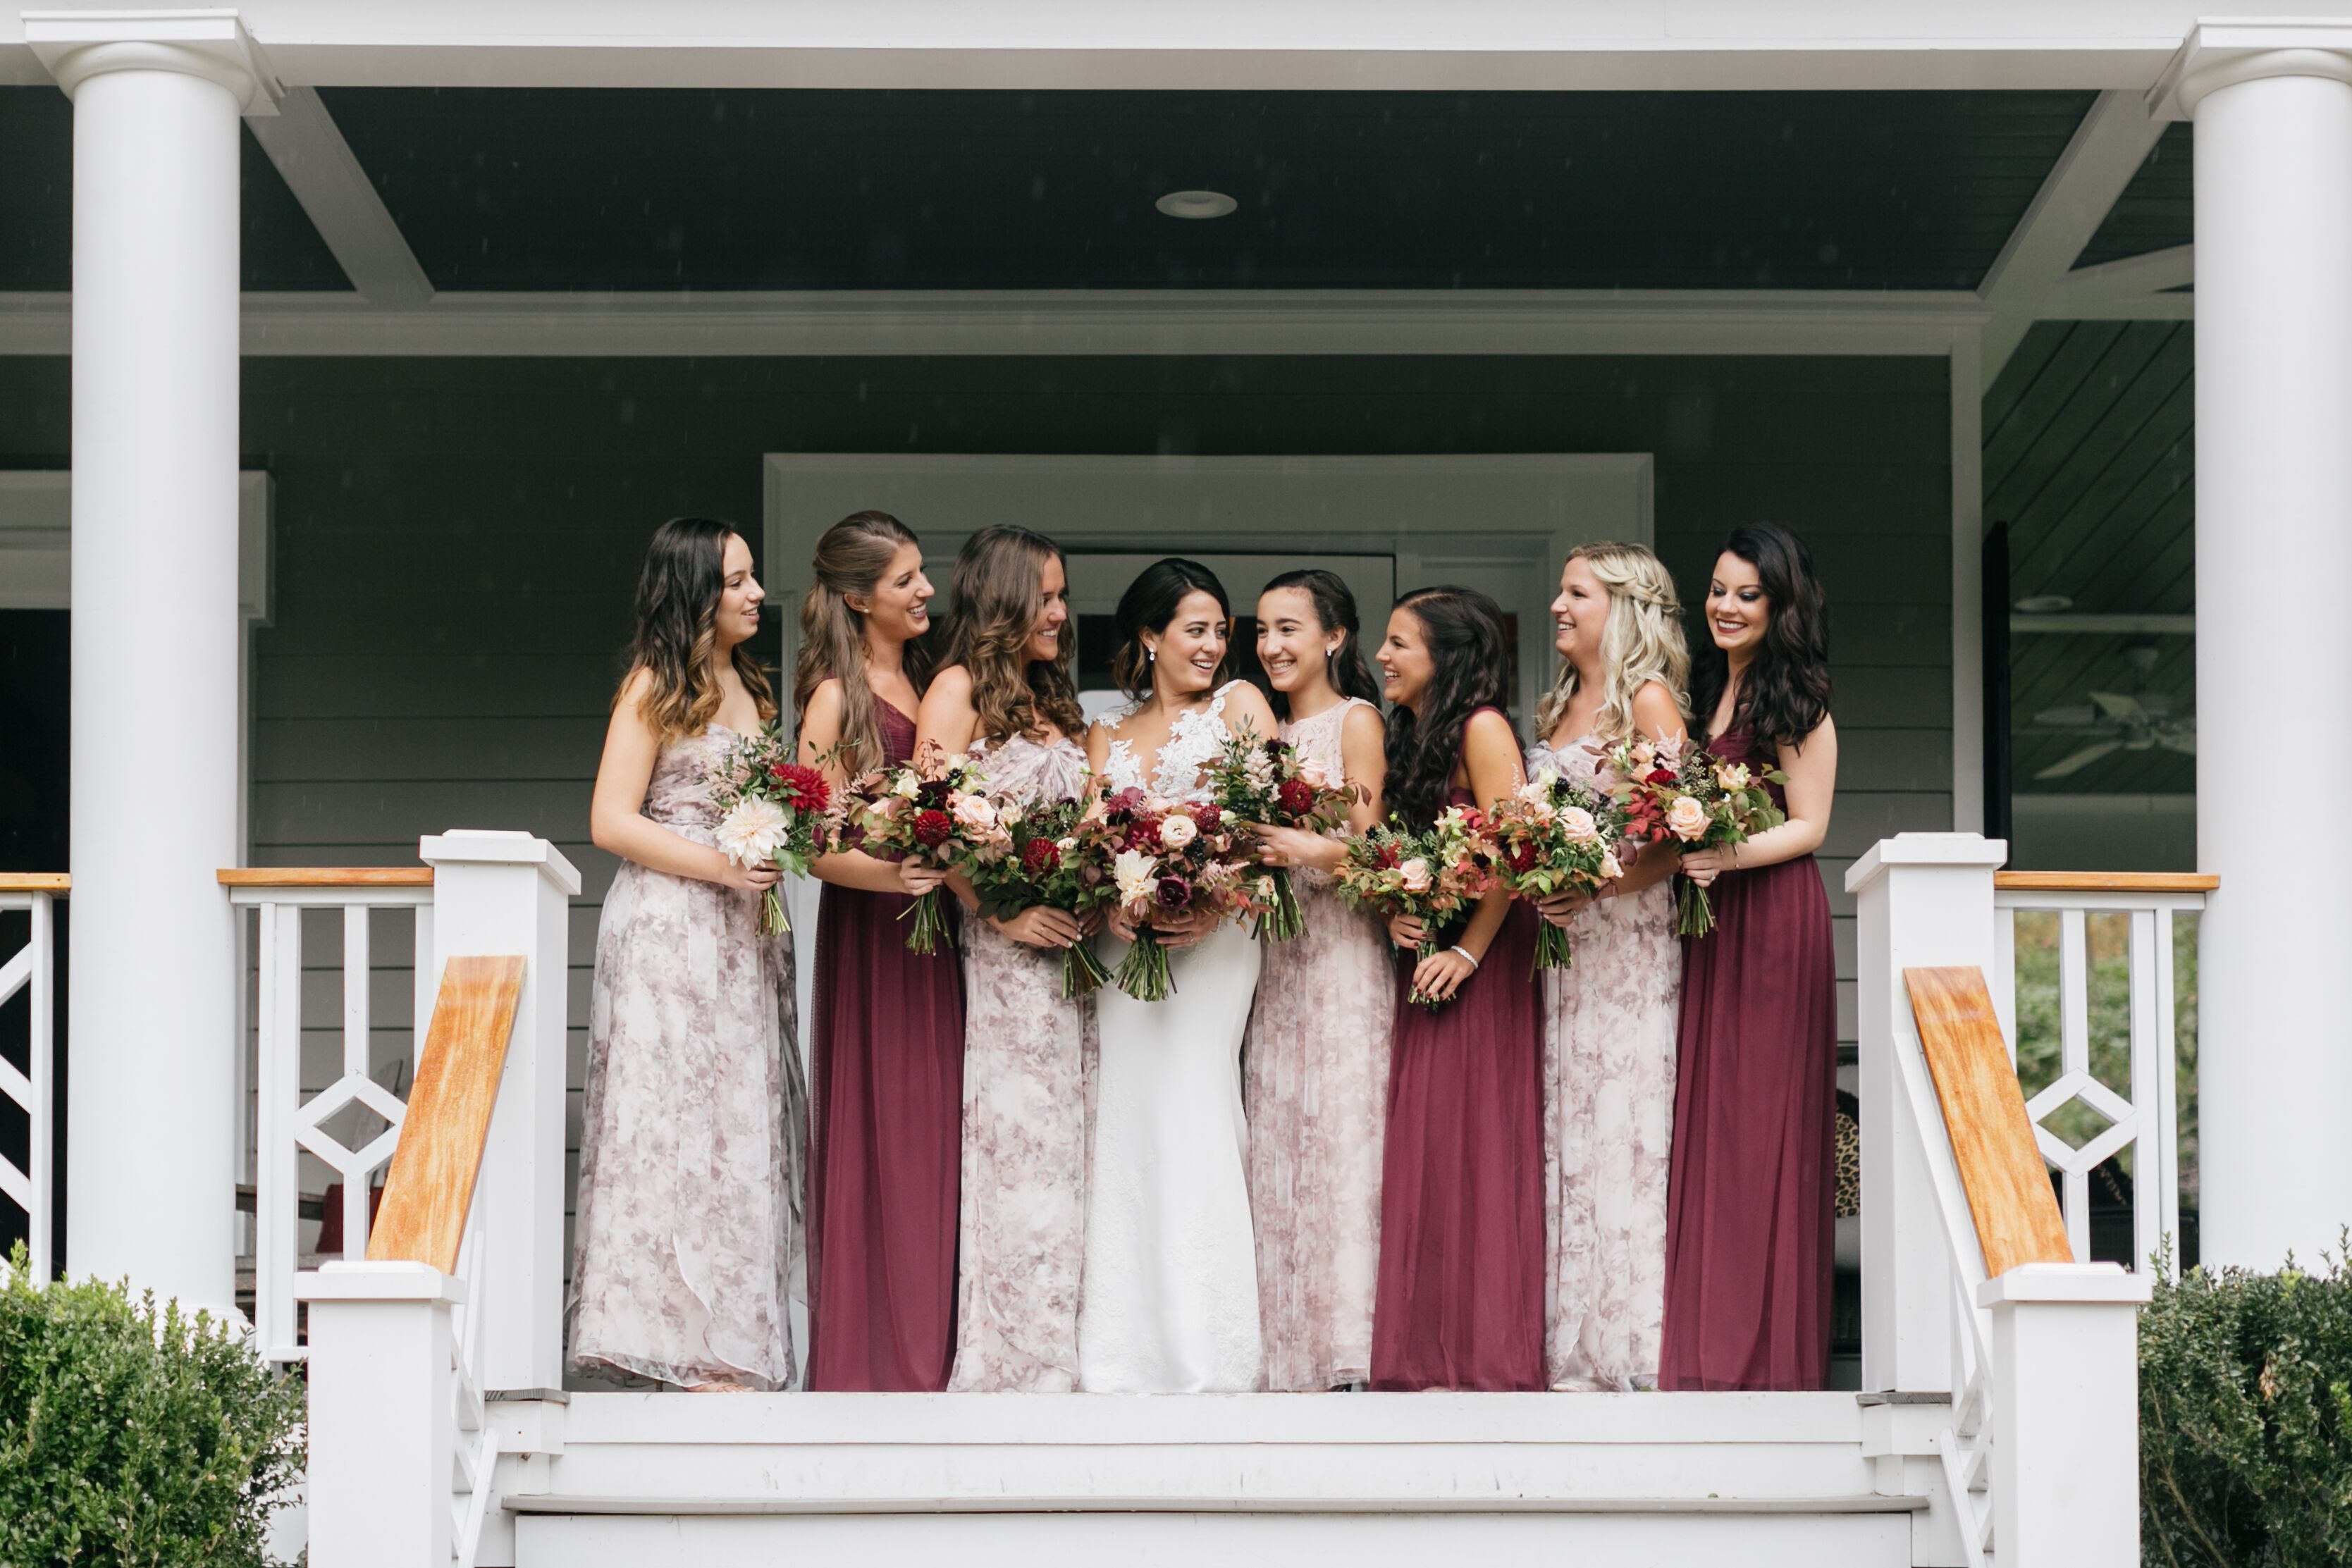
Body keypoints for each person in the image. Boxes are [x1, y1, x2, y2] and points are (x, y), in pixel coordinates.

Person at [572, 517, 806, 1393]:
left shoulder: (751, 687)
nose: (754, 594)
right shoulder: (651, 689)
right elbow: (610, 819)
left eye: (752, 578)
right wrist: (720, 862)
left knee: (736, 1123)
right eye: (738, 580)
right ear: (696, 594)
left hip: (743, 939)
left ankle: (730, 1336)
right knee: (669, 1121)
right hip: (671, 927)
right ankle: (668, 1335)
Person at [1078, 558, 1279, 1393]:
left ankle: (1212, 1345)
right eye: (1194, 629)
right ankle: (1125, 1349)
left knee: (1197, 1103)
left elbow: (1267, 826)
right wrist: (1116, 902)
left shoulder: (1239, 705)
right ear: (1149, 636)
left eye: (1219, 630)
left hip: (1219, 931)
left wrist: (1211, 895)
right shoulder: (1105, 734)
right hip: (1128, 948)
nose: (1212, 644)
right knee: (1129, 1115)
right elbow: (1092, 844)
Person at [1660, 523, 1840, 1392]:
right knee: (1714, 1116)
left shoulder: (1797, 699)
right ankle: (1703, 1345)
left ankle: (1762, 1357)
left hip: (1770, 919)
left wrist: (1725, 855)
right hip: (1712, 921)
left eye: (1747, 594)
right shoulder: (1705, 690)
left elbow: (1811, 825)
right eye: (1719, 589)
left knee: (1760, 1124)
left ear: (1779, 606)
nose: (1725, 607)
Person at [915, 525, 1093, 1393]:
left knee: (1075, 1148)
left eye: (1062, 594)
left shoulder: (1055, 700)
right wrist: (999, 910)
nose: (1059, 611)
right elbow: (932, 820)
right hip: (1008, 958)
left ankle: (1071, 1341)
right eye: (1044, 595)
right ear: (1002, 600)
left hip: (1080, 961)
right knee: (1018, 1142)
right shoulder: (955, 691)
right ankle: (1014, 1356)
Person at [795, 510, 963, 1393]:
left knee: (940, 1129)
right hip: (879, 932)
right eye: (906, 578)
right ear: (859, 598)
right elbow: (806, 840)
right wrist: (893, 875)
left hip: (942, 930)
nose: (925, 588)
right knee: (890, 1128)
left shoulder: (932, 679)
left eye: (923, 571)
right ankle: (877, 1360)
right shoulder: (837, 694)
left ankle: (934, 1344)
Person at [1368, 586, 1546, 1393]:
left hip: (1483, 959)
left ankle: (1482, 1351)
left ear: (1447, 653)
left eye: (1401, 642)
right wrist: (1397, 915)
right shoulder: (1412, 736)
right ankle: (1425, 1349)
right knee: (1429, 1139)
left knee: (1476, 1134)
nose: (1383, 655)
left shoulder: (1482, 727)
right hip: (1427, 955)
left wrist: (1469, 953)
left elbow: (1513, 851)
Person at [1525, 543, 1689, 1390]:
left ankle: (1627, 1344)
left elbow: (1679, 833)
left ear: (1620, 607)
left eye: (1575, 593)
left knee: (1621, 1125)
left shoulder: (1648, 702)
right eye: (1559, 591)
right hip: (1565, 949)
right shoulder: (1558, 706)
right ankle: (1572, 1343)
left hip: (1624, 945)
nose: (1558, 605)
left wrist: (1601, 883)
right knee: (1570, 1128)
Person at [1239, 569, 1391, 1391]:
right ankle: (1285, 1347)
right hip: (1273, 964)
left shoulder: (1353, 721)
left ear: (1334, 637)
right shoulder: (1257, 733)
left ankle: (1349, 1348)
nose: (1272, 645)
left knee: (1342, 1139)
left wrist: (1300, 847)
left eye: (1290, 628)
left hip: (1339, 955)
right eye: (1263, 629)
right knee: (1280, 1135)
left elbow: (1377, 853)